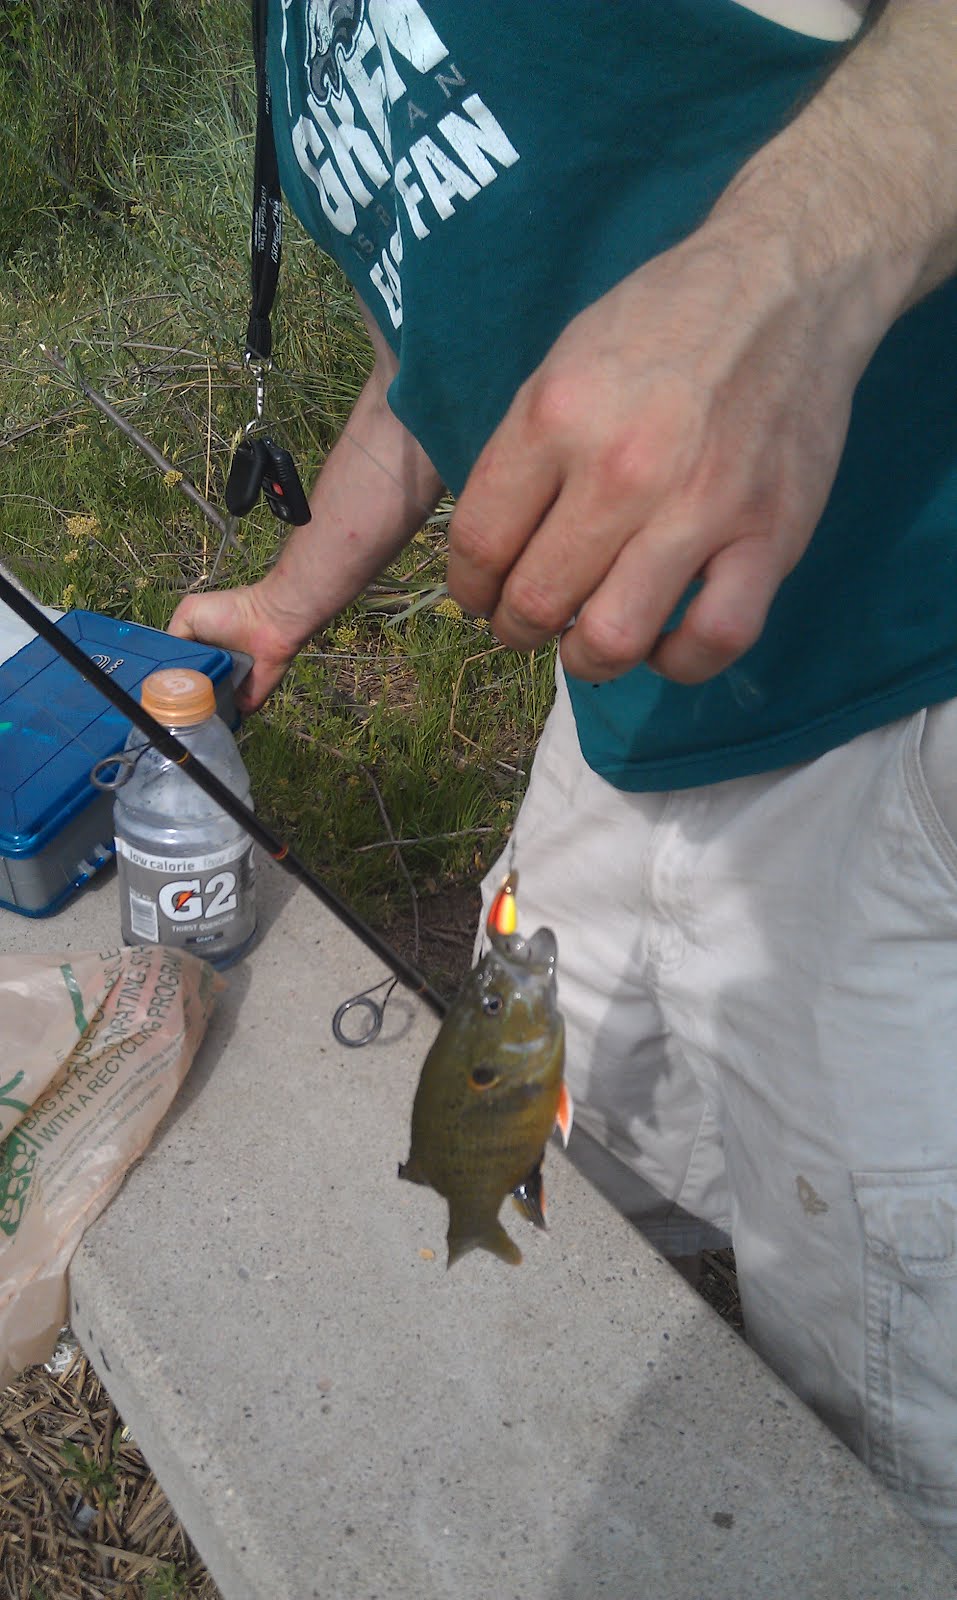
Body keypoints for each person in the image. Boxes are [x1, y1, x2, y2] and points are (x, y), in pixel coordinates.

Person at [169, 0, 957, 1556]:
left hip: (891, 698)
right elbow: (442, 334)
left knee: (894, 1396)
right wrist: (287, 598)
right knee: (533, 1177)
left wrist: (780, 268)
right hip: (624, 729)